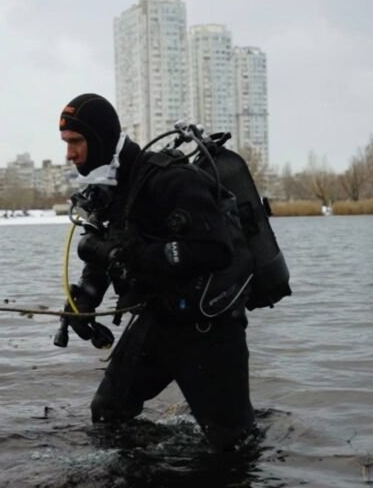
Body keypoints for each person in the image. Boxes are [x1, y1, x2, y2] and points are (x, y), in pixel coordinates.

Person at [58, 93, 255, 452]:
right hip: (156, 322)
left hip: (208, 331)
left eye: (76, 142)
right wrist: (85, 296)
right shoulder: (108, 188)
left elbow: (217, 249)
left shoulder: (170, 179)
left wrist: (132, 254)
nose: (69, 153)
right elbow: (102, 250)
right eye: (66, 143)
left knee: (232, 446)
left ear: (100, 140)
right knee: (108, 413)